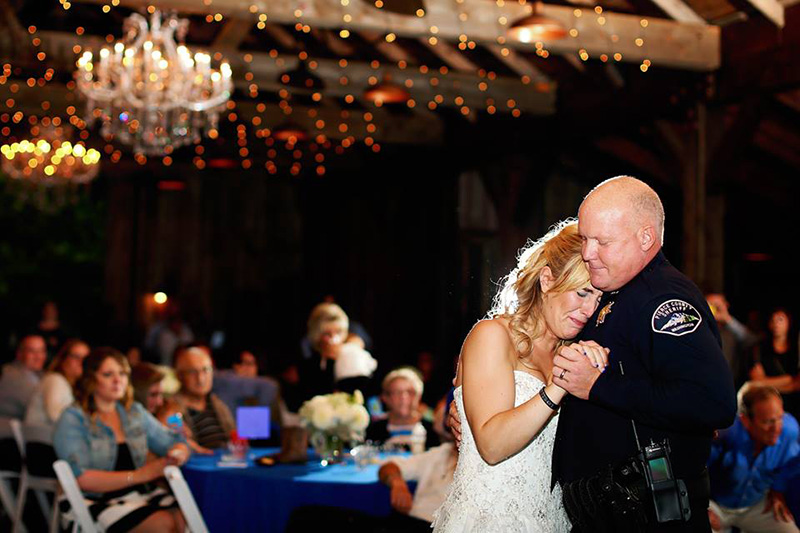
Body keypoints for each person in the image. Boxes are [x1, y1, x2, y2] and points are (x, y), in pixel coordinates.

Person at [550, 176, 737, 531]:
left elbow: (713, 402)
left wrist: (598, 386)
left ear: (646, 238)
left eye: (602, 242)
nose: (588, 253)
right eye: (585, 239)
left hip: (646, 515)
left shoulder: (663, 300)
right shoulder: (615, 286)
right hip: (610, 512)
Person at [434, 220, 606, 532]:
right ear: (547, 280)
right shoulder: (493, 336)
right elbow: (491, 446)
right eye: (582, 293)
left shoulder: (575, 355)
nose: (588, 309)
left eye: (598, 299)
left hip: (554, 522)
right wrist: (556, 388)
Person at [53, 347, 190, 532]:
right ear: (91, 380)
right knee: (164, 522)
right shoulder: (73, 418)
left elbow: (172, 441)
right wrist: (140, 475)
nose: (118, 380)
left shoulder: (133, 411)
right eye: (108, 374)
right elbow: (81, 479)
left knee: (187, 515)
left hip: (139, 494)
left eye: (123, 373)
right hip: (91, 500)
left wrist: (179, 452)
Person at [707, 384, 800, 533]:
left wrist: (777, 490)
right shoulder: (726, 435)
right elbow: (696, 471)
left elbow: (790, 464)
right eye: (767, 422)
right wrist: (701, 507)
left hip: (757, 505)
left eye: (780, 418)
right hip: (716, 504)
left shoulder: (790, 430)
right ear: (746, 421)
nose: (777, 428)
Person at [158, 346, 235, 450]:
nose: (201, 378)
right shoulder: (171, 407)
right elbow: (169, 439)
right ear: (179, 376)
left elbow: (235, 437)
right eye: (192, 372)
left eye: (206, 370)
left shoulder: (216, 401)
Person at [367, 368, 439, 451]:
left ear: (419, 396)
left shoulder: (432, 429)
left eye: (410, 392)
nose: (403, 397)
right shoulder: (375, 430)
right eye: (397, 392)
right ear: (385, 397)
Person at [25, 338, 90, 429]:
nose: (81, 362)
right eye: (76, 357)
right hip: (41, 439)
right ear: (63, 359)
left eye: (85, 359)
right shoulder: (55, 380)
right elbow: (56, 416)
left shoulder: (73, 386)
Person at [749, 309, 800, 418]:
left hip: (794, 405)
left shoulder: (796, 350)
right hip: (768, 404)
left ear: (789, 322)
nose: (776, 323)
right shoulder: (760, 349)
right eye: (773, 320)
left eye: (780, 320)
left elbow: (797, 384)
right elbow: (757, 382)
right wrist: (790, 379)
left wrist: (766, 382)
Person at [705, 292, 758, 389]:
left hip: (729, 384)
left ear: (726, 305)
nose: (714, 308)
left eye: (717, 305)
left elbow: (751, 341)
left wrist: (727, 319)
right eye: (709, 305)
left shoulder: (731, 331)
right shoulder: (702, 328)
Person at [0, 334, 47, 419]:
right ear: (19, 354)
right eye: (32, 351)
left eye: (41, 351)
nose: (38, 356)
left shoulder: (41, 375)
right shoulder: (10, 374)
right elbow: (38, 405)